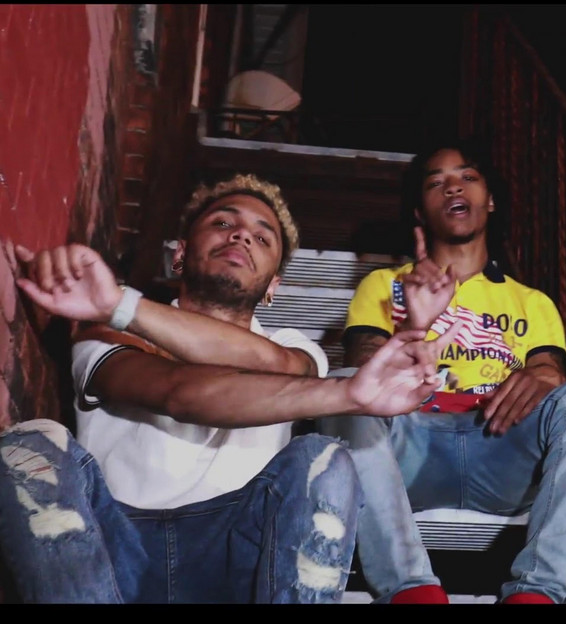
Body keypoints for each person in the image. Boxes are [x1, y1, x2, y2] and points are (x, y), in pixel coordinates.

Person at [0, 173, 459, 604]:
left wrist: (121, 304)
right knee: (32, 442)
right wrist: (117, 308)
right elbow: (179, 393)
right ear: (180, 254)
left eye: (263, 237)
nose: (241, 236)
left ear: (273, 286)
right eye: (223, 223)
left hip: (237, 560)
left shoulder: (295, 351)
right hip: (111, 546)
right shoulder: (110, 328)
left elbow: (275, 364)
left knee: (323, 459)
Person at [318, 137, 566, 604]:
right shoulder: (384, 284)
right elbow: (362, 373)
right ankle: (410, 590)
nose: (453, 187)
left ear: (489, 200)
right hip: (410, 448)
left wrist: (544, 377)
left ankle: (538, 592)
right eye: (435, 182)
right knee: (341, 387)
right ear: (419, 211)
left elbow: (549, 370)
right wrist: (415, 330)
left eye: (467, 177)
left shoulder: (532, 301)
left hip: (502, 448)